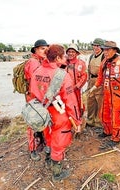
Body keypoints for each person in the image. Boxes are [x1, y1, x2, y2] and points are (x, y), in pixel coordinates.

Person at [29, 44, 82, 181]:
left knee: (48, 137)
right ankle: (57, 173)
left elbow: (33, 93)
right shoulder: (62, 75)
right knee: (59, 142)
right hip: (58, 115)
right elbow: (71, 101)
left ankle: (48, 159)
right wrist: (76, 121)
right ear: (58, 57)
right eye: (63, 55)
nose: (65, 57)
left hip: (42, 114)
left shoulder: (37, 70)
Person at [89, 41, 120, 147]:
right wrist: (95, 86)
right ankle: (107, 131)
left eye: (107, 50)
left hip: (118, 96)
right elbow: (100, 76)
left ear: (114, 50)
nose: (105, 52)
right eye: (104, 50)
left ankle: (115, 138)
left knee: (116, 117)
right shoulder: (105, 62)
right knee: (104, 114)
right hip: (107, 94)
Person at [24, 39, 49, 161]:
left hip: (39, 97)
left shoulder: (41, 61)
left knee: (41, 121)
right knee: (32, 124)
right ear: (36, 50)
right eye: (42, 49)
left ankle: (41, 143)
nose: (45, 51)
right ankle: (32, 149)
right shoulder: (33, 62)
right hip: (33, 98)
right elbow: (36, 83)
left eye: (46, 49)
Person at [86, 38, 105, 128]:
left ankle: (98, 122)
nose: (96, 47)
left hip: (100, 81)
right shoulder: (91, 56)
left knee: (100, 102)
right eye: (94, 45)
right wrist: (88, 80)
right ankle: (90, 121)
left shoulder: (104, 56)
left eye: (98, 46)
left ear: (101, 47)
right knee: (90, 101)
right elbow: (88, 69)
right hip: (91, 81)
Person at [66, 44, 88, 118]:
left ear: (76, 53)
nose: (70, 53)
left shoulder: (81, 63)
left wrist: (77, 86)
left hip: (76, 90)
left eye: (73, 52)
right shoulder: (63, 63)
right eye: (69, 51)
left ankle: (78, 119)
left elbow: (84, 76)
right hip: (65, 90)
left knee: (78, 105)